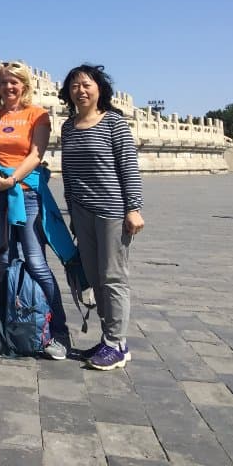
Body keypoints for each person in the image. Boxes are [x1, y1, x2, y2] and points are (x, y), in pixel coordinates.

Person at [0, 61, 71, 360]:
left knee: (36, 262)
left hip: (26, 193)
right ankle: (10, 320)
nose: (8, 87)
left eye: (14, 82)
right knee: (3, 259)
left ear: (24, 85)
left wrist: (10, 181)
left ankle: (57, 329)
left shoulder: (37, 115)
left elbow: (36, 155)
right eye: (3, 82)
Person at [59, 64, 144, 370]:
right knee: (95, 278)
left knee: (113, 277)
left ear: (99, 89)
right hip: (82, 211)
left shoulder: (113, 123)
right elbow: (68, 172)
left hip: (112, 211)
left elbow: (129, 167)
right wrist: (71, 209)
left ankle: (117, 343)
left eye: (86, 85)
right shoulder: (68, 127)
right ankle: (110, 339)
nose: (80, 91)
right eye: (74, 86)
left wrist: (134, 208)